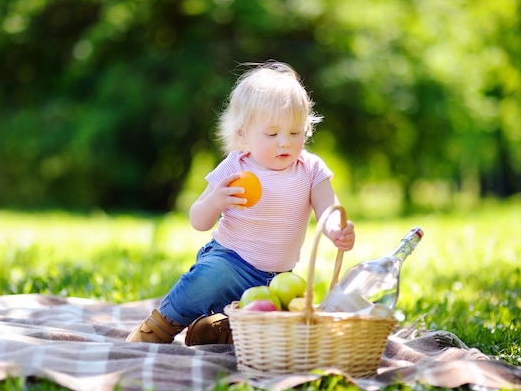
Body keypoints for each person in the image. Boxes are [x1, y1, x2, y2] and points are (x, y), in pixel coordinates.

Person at [127, 61, 355, 345]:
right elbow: (198, 220)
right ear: (242, 135)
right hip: (230, 262)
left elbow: (328, 208)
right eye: (272, 134)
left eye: (295, 132)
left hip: (279, 278)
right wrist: (216, 201)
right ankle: (161, 324)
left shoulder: (310, 168)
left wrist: (336, 230)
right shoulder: (237, 166)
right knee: (207, 280)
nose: (285, 142)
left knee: (284, 324)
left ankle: (221, 328)